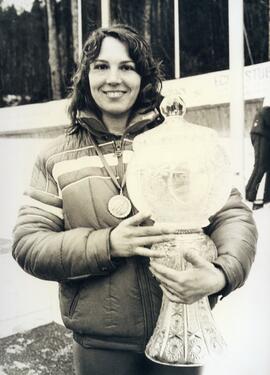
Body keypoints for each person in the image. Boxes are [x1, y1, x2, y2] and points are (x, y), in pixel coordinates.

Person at [12, 24, 257, 375]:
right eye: (101, 66)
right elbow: (29, 243)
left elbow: (234, 216)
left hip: (180, 332)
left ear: (144, 76)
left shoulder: (179, 143)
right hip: (101, 347)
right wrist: (106, 244)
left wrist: (220, 274)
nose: (114, 78)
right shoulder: (57, 157)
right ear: (86, 75)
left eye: (127, 67)